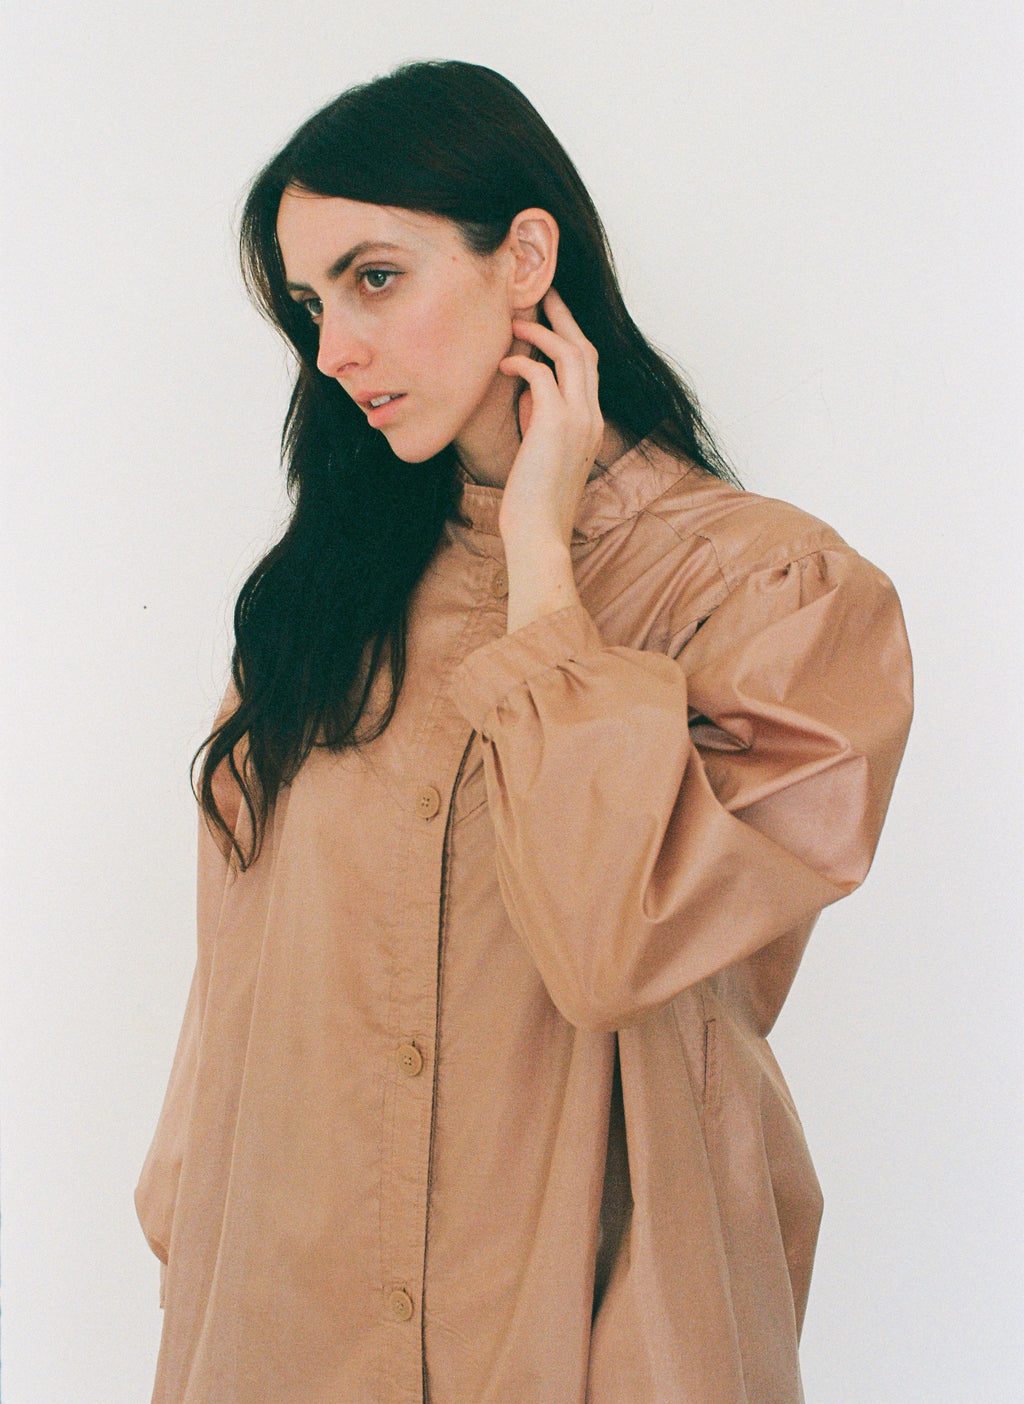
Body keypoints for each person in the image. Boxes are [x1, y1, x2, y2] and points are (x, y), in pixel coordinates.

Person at [136, 59, 913, 1403]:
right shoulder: (324, 606)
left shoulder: (775, 597)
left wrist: (544, 570)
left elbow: (620, 945)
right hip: (296, 1326)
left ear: (526, 260)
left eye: (376, 278)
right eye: (313, 305)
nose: (334, 351)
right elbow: (237, 1007)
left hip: (599, 1333)